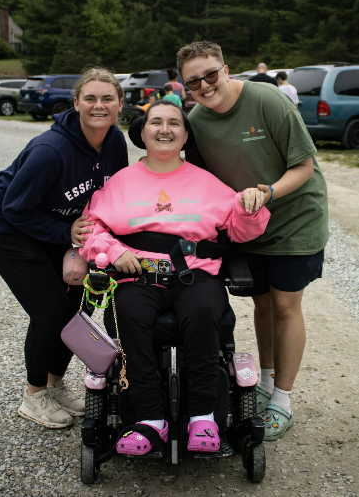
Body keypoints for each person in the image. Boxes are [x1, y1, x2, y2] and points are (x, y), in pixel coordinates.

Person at [79, 100, 270, 456]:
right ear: (142, 133)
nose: (164, 129)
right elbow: (90, 229)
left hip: (194, 277)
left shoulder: (207, 182)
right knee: (129, 316)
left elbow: (240, 231)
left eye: (173, 123)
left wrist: (251, 207)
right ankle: (150, 420)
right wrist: (114, 251)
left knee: (201, 314)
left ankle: (203, 417)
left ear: (184, 137)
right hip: (137, 278)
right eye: (155, 122)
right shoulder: (120, 183)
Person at [176, 41, 329, 442]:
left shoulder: (267, 100)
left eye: (211, 74)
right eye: (194, 82)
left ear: (226, 69)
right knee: (261, 303)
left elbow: (305, 166)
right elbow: (195, 178)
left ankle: (283, 401)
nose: (206, 86)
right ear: (186, 86)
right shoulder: (198, 122)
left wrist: (269, 193)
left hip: (295, 218)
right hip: (248, 224)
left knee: (284, 305)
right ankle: (263, 383)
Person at [0, 67, 129, 429]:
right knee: (49, 309)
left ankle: (55, 384)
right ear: (75, 103)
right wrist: (64, 233)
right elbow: (14, 208)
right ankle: (33, 395)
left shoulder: (116, 141)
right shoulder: (51, 149)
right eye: (89, 98)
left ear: (120, 103)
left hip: (55, 226)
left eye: (107, 98)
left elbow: (114, 195)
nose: (98, 105)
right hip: (5, 228)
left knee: (77, 304)